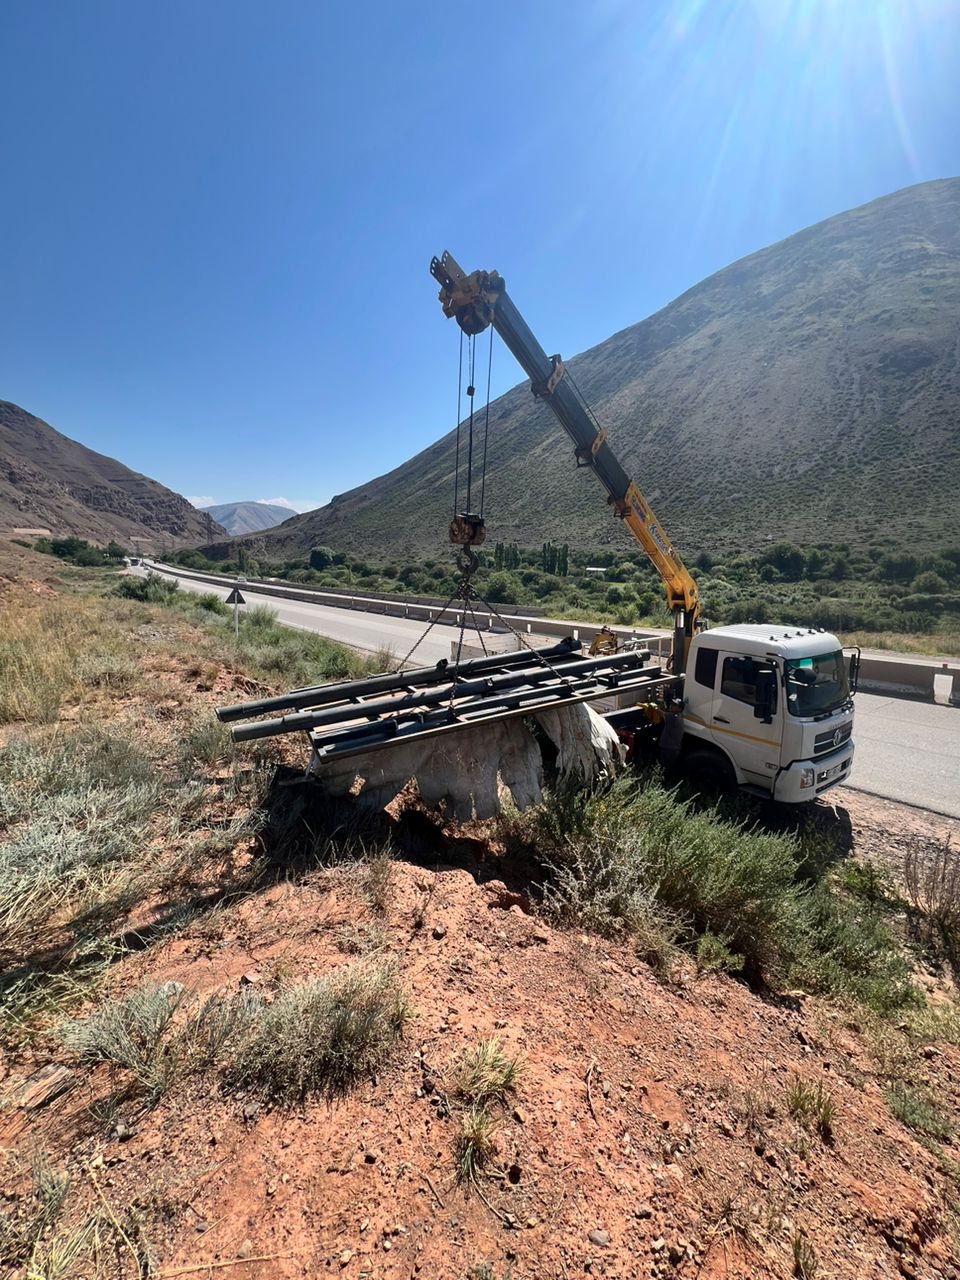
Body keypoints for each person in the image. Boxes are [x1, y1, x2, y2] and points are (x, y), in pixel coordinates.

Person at [659, 696, 685, 783]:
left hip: (668, 748)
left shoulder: (673, 717)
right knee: (670, 767)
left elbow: (661, 713)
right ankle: (669, 783)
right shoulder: (680, 716)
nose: (671, 705)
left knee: (665, 767)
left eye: (674, 705)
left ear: (680, 708)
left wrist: (653, 706)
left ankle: (665, 784)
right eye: (671, 703)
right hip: (674, 748)